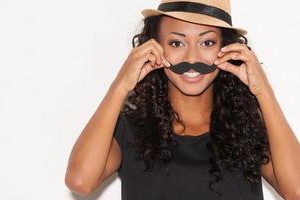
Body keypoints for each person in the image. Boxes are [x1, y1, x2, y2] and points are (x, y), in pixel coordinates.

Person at [65, 0, 300, 199]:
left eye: (207, 42)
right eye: (177, 43)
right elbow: (80, 181)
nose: (191, 57)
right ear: (154, 47)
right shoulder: (132, 126)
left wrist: (264, 91)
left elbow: (297, 190)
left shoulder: (246, 125)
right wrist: (120, 86)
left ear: (226, 49)